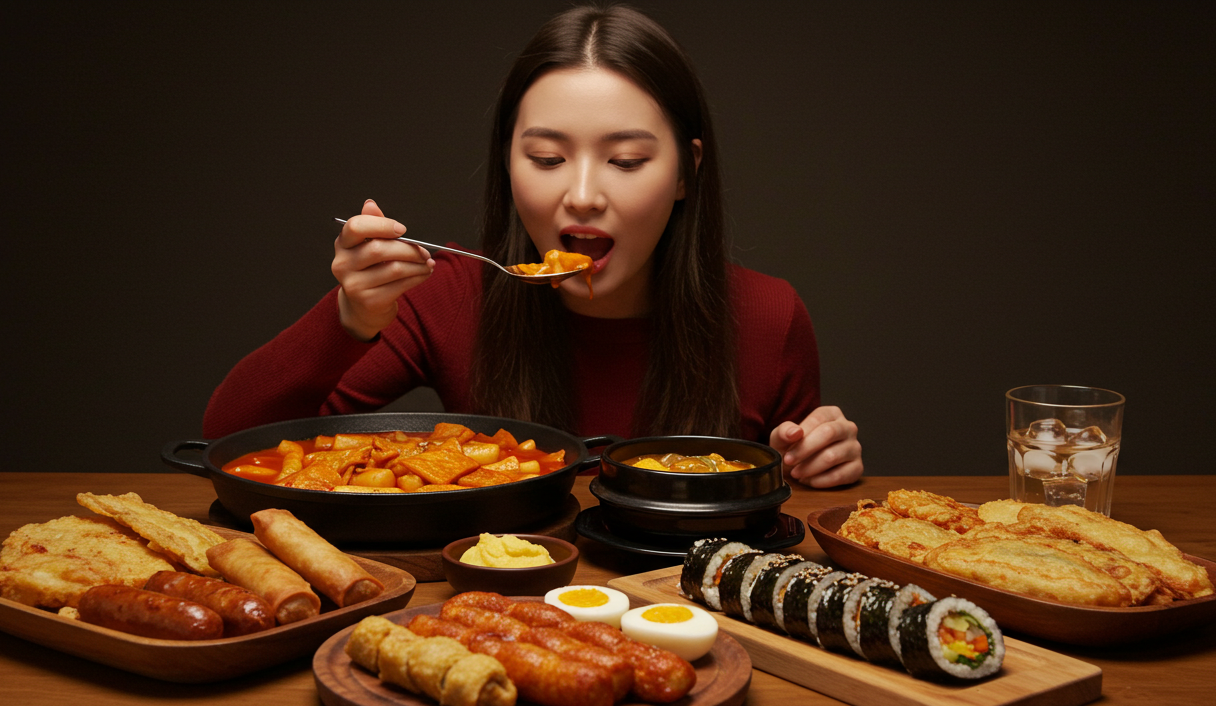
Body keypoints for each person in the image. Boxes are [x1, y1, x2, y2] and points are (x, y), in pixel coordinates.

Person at [203, 4, 862, 488]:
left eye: (626, 161)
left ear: (687, 171)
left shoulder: (772, 318)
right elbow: (227, 442)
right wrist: (347, 320)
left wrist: (818, 458)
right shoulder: (446, 292)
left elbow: (792, 507)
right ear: (508, 162)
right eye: (547, 158)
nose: (580, 194)